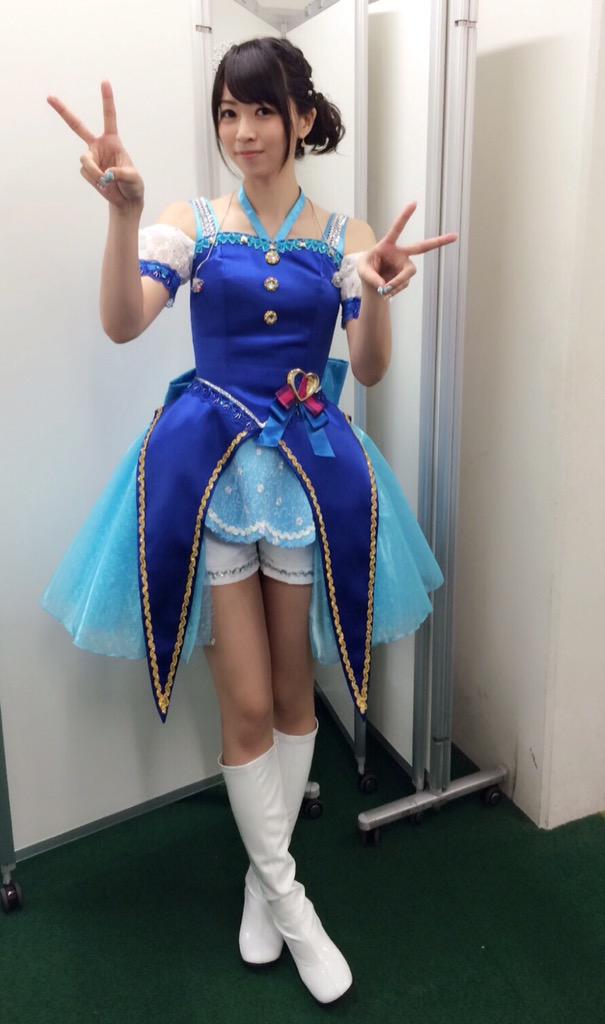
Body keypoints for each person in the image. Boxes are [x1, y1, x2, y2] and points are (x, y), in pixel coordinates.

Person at [43, 37, 457, 1005]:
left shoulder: (347, 235)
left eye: (263, 110)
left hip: (308, 475)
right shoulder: (190, 221)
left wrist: (378, 290)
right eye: (228, 111)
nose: (243, 131)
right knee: (242, 702)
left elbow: (372, 367)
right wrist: (126, 214)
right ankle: (292, 901)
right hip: (211, 475)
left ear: (301, 117)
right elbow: (121, 322)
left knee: (295, 693)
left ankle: (260, 880)